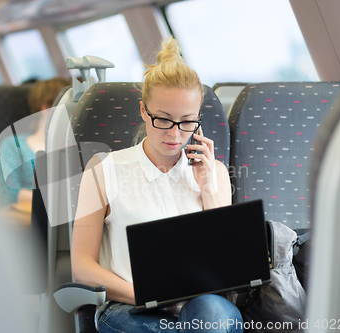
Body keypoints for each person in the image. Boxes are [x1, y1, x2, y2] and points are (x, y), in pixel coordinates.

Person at [71, 37, 243, 332]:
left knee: (213, 312)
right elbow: (82, 267)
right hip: (129, 306)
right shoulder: (103, 170)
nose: (176, 134)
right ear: (143, 111)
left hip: (199, 305)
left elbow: (225, 268)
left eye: (187, 122)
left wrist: (209, 190)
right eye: (163, 120)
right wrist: (148, 295)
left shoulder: (212, 172)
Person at [0, 77, 70, 206]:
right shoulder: (13, 145)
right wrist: (54, 203)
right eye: (68, 107)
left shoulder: (73, 145)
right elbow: (9, 193)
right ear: (47, 109)